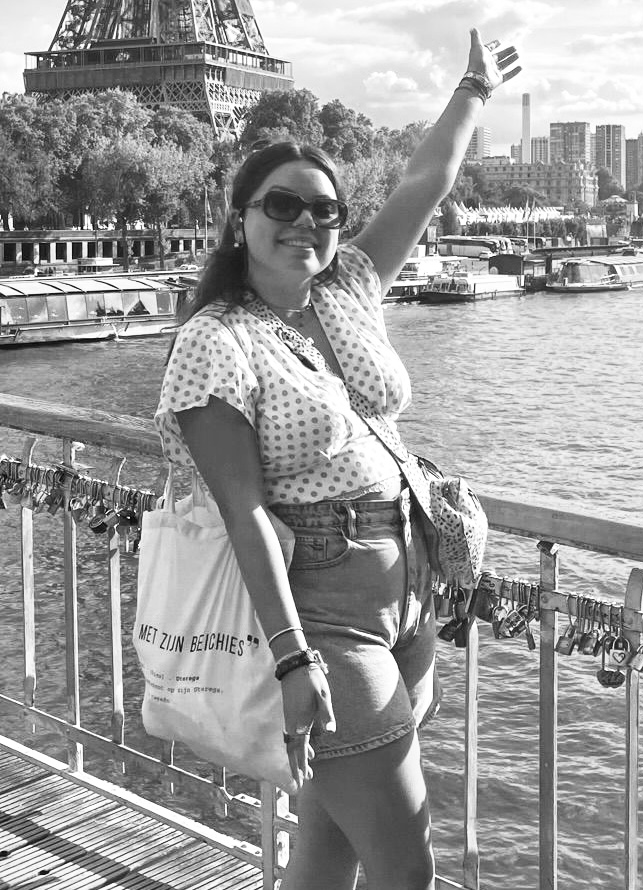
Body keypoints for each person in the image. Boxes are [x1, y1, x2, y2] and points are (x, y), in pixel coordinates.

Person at [155, 29, 519, 890]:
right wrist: (292, 660)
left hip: (410, 595)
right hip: (322, 614)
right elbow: (243, 512)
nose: (306, 223)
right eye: (282, 206)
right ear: (239, 220)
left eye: (324, 210)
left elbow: (422, 186)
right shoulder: (215, 341)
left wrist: (471, 90)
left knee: (328, 851)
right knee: (407, 867)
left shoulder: (347, 287)